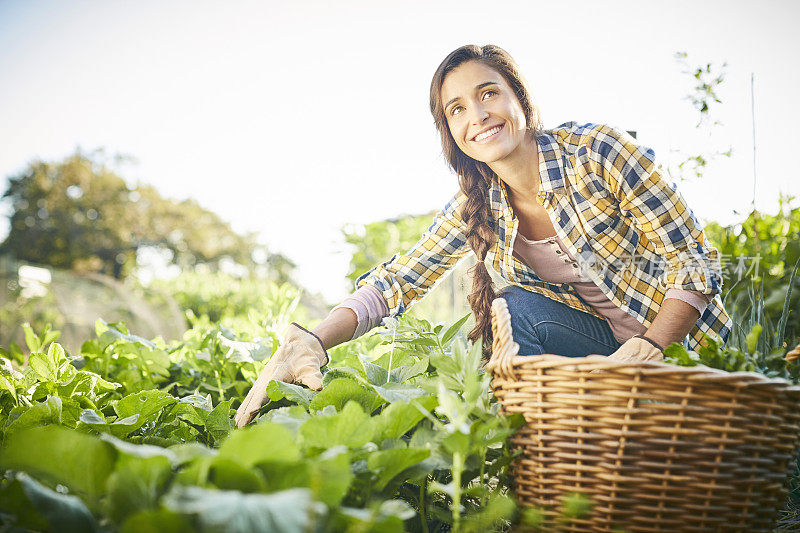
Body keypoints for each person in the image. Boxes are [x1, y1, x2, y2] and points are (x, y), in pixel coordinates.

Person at [235, 44, 732, 428]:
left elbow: (695, 262)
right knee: (513, 309)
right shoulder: (478, 205)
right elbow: (397, 282)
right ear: (450, 132)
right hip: (604, 359)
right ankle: (555, 464)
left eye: (489, 93)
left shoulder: (598, 153)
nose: (478, 115)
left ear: (520, 98)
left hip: (684, 350)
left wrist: (654, 345)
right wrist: (313, 341)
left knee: (516, 305)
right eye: (456, 109)